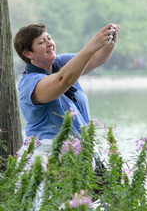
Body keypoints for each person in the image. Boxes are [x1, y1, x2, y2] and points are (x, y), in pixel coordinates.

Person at [14, 22, 119, 157]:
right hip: (48, 158)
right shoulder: (30, 83)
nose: (49, 43)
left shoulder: (61, 62)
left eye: (49, 38)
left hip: (79, 154)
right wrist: (92, 45)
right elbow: (63, 80)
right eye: (41, 42)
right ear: (28, 54)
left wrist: (108, 43)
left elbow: (94, 59)